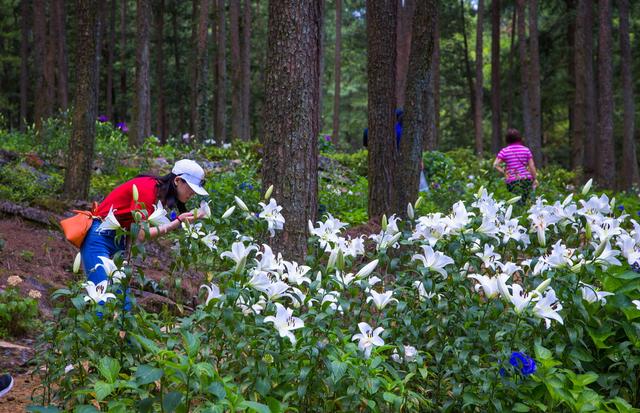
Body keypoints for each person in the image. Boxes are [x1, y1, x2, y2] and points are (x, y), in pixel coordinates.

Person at [81, 159, 208, 284]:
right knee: (101, 293)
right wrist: (178, 221)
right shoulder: (148, 189)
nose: (193, 193)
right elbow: (141, 234)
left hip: (118, 238)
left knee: (123, 301)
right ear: (177, 180)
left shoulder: (159, 193)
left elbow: (133, 227)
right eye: (191, 188)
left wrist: (128, 261)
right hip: (99, 235)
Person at [493, 128, 538, 203]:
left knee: (514, 201)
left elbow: (495, 165)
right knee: (526, 201)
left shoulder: (504, 151)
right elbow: (531, 166)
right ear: (519, 138)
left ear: (507, 139)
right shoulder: (526, 150)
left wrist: (504, 172)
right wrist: (534, 178)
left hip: (511, 180)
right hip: (525, 179)